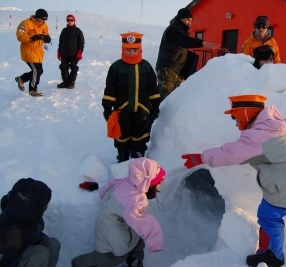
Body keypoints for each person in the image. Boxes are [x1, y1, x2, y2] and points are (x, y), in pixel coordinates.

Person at [181, 95, 286, 267]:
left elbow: (231, 153)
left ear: (245, 114)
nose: (235, 124)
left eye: (236, 118)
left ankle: (274, 255)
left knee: (268, 216)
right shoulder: (272, 126)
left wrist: (202, 157)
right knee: (282, 206)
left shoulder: (259, 137)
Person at [72, 157, 165, 267]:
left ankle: (134, 260)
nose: (159, 185)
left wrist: (104, 198)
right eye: (159, 183)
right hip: (113, 234)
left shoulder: (123, 182)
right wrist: (155, 243)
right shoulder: (136, 199)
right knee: (116, 256)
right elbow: (142, 221)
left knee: (137, 241)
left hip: (106, 222)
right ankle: (81, 263)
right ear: (149, 183)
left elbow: (106, 188)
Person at [102, 32, 161, 163]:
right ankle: (122, 155)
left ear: (140, 49)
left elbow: (152, 88)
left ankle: (137, 156)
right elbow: (110, 90)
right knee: (122, 133)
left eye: (135, 49)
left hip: (142, 109)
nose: (132, 52)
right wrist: (107, 108)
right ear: (123, 49)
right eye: (129, 49)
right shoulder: (116, 67)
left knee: (140, 133)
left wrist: (155, 105)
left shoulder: (145, 66)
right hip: (122, 110)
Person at [155, 8, 219, 99]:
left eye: (191, 20)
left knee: (177, 99)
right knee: (165, 99)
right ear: (180, 18)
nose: (189, 23)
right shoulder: (174, 30)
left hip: (176, 71)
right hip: (168, 70)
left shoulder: (179, 30)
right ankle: (157, 113)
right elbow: (184, 41)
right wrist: (202, 43)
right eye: (187, 19)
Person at [0, 178, 61, 267]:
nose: (46, 206)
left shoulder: (26, 212)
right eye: (44, 205)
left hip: (26, 244)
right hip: (9, 258)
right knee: (40, 253)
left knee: (53, 243)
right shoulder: (11, 233)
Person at [15, 9, 51, 97]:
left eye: (46, 18)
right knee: (36, 70)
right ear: (37, 17)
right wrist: (32, 37)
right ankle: (32, 89)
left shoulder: (44, 26)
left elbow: (47, 35)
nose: (44, 20)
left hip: (38, 52)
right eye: (43, 18)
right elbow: (20, 36)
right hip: (29, 50)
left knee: (40, 71)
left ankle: (21, 78)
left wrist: (47, 38)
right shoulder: (26, 23)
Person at [57, 14, 85, 89]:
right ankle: (65, 82)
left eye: (71, 20)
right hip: (64, 53)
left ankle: (71, 82)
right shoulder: (64, 30)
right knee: (63, 67)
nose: (70, 21)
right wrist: (59, 51)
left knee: (73, 67)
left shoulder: (77, 31)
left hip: (74, 53)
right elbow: (60, 42)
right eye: (68, 20)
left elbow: (81, 42)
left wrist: (79, 52)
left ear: (74, 21)